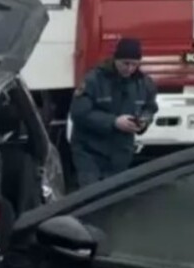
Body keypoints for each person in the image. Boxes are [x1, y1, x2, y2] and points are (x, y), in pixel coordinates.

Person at [68, 38, 159, 188]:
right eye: (125, 63)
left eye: (134, 64)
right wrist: (114, 122)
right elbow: (78, 113)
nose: (129, 68)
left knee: (113, 198)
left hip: (120, 153)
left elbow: (150, 108)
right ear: (116, 59)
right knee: (91, 194)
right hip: (89, 150)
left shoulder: (144, 84)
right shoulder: (94, 80)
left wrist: (143, 121)